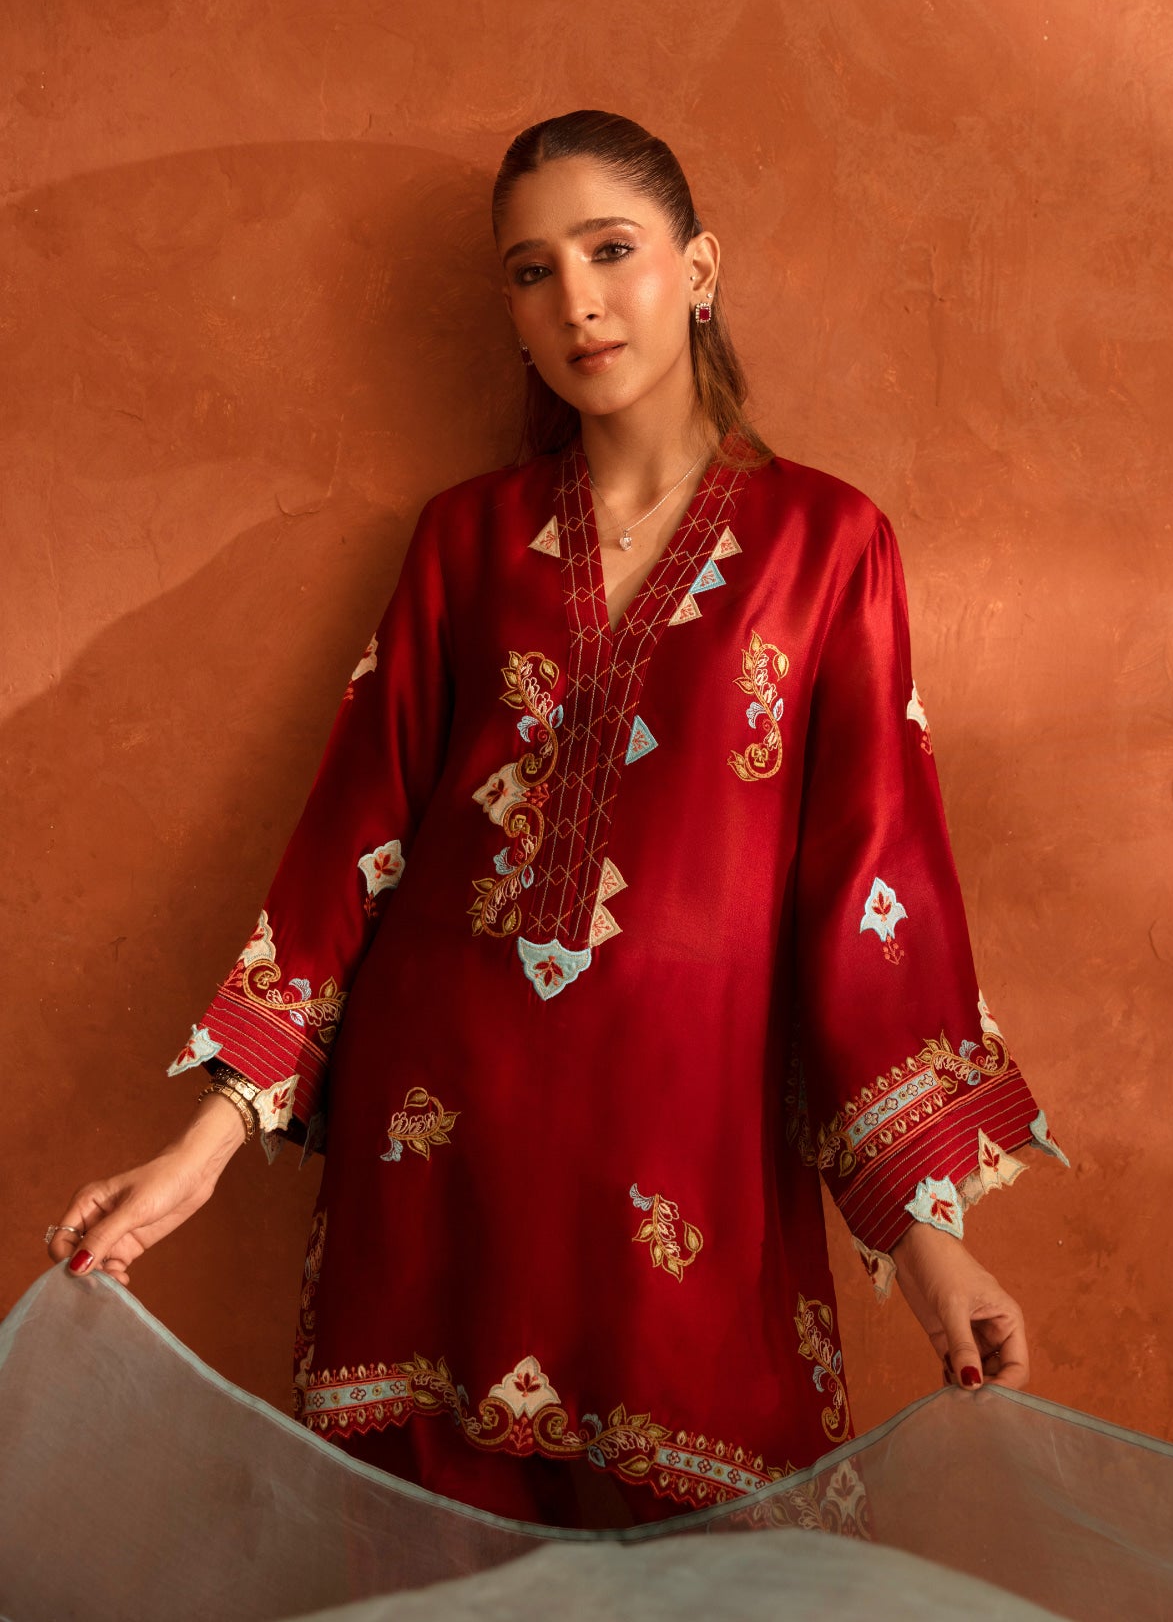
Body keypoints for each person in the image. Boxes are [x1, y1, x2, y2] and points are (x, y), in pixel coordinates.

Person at [45, 109, 1070, 1529]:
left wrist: (925, 1239)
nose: (576, 301)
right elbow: (356, 846)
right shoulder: (463, 543)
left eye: (612, 250)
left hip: (693, 1200)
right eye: (531, 271)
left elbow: (868, 891)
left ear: (698, 267)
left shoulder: (830, 545)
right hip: (433, 1183)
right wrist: (201, 1150)